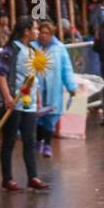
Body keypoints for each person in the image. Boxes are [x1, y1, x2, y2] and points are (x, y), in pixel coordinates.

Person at [0, 16, 48, 191]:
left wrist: (38, 97)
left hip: (29, 104)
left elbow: (34, 78)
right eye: (35, 28)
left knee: (30, 141)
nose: (37, 32)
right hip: (14, 102)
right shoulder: (11, 50)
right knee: (9, 141)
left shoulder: (33, 50)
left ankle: (33, 177)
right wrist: (7, 97)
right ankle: (7, 178)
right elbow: (1, 74)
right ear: (26, 31)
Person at [31, 19, 78, 157]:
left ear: (51, 34)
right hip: (38, 89)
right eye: (41, 32)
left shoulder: (59, 48)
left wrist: (71, 86)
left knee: (51, 119)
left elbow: (66, 69)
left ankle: (47, 145)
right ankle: (39, 141)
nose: (43, 35)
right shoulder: (33, 47)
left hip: (54, 89)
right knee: (38, 118)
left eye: (46, 33)